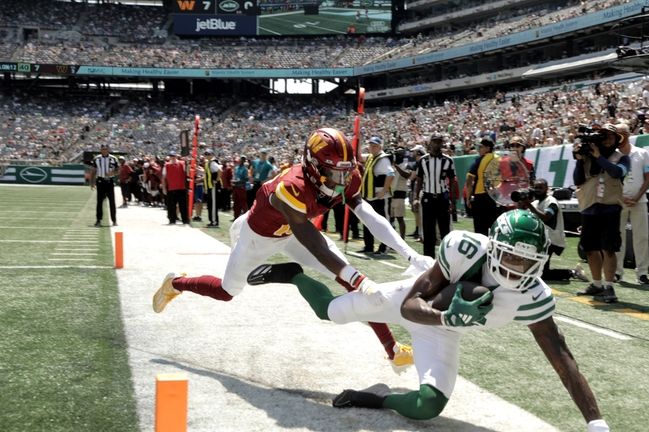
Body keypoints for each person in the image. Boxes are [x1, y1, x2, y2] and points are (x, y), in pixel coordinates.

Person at [248, 210, 610, 431]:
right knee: (329, 313)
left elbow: (563, 362)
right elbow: (410, 306)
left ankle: (375, 399)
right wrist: (446, 314)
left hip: (444, 329)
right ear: (493, 246)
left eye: (526, 263)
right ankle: (295, 274)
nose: (517, 271)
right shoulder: (463, 249)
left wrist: (596, 422)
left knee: (427, 407)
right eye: (511, 259)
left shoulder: (533, 295)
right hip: (410, 302)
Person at [152, 128, 434, 369]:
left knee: (352, 282)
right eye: (333, 172)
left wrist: (409, 253)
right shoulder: (292, 187)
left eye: (344, 172)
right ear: (313, 167)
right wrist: (358, 279)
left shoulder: (345, 175)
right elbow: (316, 243)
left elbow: (368, 214)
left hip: (294, 232)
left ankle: (392, 350)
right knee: (227, 292)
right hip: (259, 236)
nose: (342, 180)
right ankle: (176, 283)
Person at [573, 124, 631, 303]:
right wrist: (579, 159)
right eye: (603, 136)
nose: (606, 140)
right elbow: (577, 180)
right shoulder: (588, 157)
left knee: (609, 249)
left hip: (610, 208)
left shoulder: (622, 158)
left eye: (610, 136)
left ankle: (609, 285)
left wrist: (598, 157)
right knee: (590, 249)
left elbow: (616, 173)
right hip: (589, 206)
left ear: (616, 140)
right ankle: (597, 284)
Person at [519, 178, 588, 282]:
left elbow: (546, 217)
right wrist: (521, 205)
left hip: (551, 240)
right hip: (540, 240)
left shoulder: (551, 202)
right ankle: (573, 272)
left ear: (547, 189)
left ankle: (573, 273)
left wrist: (528, 204)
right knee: (538, 272)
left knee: (541, 274)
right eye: (536, 188)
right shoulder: (536, 203)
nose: (537, 190)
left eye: (540, 188)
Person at [613, 123, 649, 285]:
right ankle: (617, 272)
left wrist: (636, 197)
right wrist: (621, 197)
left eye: (622, 133)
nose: (620, 136)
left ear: (628, 134)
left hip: (639, 200)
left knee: (641, 237)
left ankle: (642, 273)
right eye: (617, 133)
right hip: (618, 200)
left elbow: (648, 177)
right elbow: (611, 180)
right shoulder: (613, 155)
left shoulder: (642, 153)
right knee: (618, 237)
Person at [413, 134, 456, 258]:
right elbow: (419, 180)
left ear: (442, 143)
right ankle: (428, 260)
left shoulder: (448, 160)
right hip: (428, 198)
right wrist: (416, 198)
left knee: (445, 231)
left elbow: (452, 181)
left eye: (439, 142)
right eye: (435, 142)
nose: (437, 144)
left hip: (442, 198)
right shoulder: (423, 160)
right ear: (430, 143)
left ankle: (447, 259)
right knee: (428, 231)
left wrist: (452, 201)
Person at [360, 136, 394, 255]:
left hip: (380, 197)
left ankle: (385, 247)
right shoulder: (370, 157)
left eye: (375, 146)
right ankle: (368, 246)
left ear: (380, 147)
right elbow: (358, 156)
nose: (372, 148)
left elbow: (391, 173)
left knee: (383, 222)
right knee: (368, 221)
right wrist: (358, 140)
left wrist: (384, 190)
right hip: (369, 195)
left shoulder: (383, 159)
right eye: (371, 145)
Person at [465, 136, 502, 235]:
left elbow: (469, 180)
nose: (479, 149)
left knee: (480, 229)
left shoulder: (480, 160)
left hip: (481, 196)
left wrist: (468, 197)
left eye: (481, 147)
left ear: (487, 148)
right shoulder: (500, 158)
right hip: (496, 197)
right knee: (493, 228)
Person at [91, 144, 119, 227]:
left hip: (109, 182)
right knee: (99, 202)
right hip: (100, 181)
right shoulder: (97, 159)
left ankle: (114, 220)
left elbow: (118, 170)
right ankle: (98, 220)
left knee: (112, 202)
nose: (104, 150)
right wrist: (92, 183)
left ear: (108, 150)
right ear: (100, 150)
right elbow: (93, 171)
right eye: (103, 149)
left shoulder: (113, 158)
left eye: (106, 149)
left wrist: (112, 173)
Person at [162, 150, 189, 225]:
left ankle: (185, 220)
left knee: (183, 205)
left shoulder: (182, 163)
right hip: (171, 188)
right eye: (171, 156)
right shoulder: (166, 165)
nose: (172, 157)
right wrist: (164, 188)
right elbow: (163, 177)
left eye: (173, 156)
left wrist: (187, 163)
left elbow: (187, 172)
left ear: (176, 156)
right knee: (171, 206)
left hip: (181, 188)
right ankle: (172, 219)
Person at [390, 146, 411, 239]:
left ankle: (402, 238)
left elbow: (406, 175)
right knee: (391, 219)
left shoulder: (406, 164)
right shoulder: (392, 165)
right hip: (391, 194)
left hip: (400, 193)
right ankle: (392, 239)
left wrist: (396, 166)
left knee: (400, 218)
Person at [203, 148, 221, 228]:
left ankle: (214, 222)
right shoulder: (208, 163)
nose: (207, 156)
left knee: (213, 205)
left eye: (209, 154)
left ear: (212, 155)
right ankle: (212, 221)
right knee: (210, 204)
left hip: (213, 186)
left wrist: (216, 180)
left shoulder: (212, 163)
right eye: (206, 154)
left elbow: (220, 170)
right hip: (210, 186)